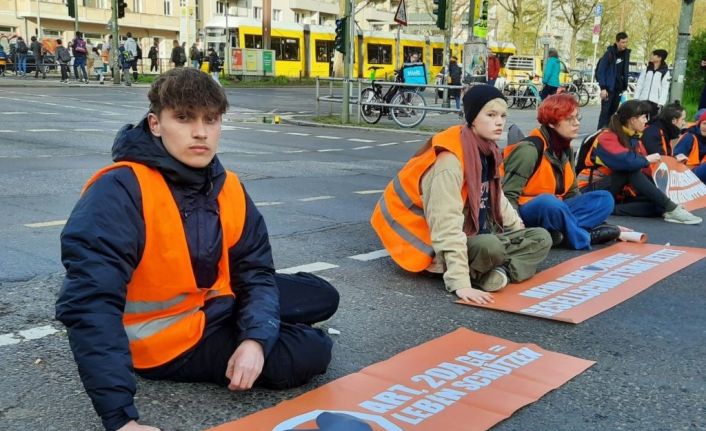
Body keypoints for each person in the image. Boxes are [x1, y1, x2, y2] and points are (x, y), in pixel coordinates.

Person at [56, 67, 339, 431]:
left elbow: (254, 270)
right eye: (184, 118)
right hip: (165, 340)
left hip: (214, 302)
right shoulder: (120, 191)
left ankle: (254, 327)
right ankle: (259, 331)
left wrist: (254, 339)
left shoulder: (227, 185)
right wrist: (119, 419)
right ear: (155, 124)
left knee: (322, 296)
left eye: (211, 119)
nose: (201, 132)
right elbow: (89, 303)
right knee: (308, 352)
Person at [371, 85, 552, 305]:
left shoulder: (488, 150)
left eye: (503, 116)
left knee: (541, 238)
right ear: (473, 118)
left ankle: (498, 273)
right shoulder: (450, 162)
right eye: (491, 115)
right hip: (427, 245)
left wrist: (520, 233)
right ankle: (485, 273)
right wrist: (461, 284)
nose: (499, 122)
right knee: (490, 246)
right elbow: (445, 225)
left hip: (470, 232)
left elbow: (497, 197)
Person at [501, 94, 619, 250]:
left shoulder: (566, 148)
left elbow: (572, 193)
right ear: (551, 123)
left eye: (577, 117)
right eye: (570, 119)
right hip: (529, 211)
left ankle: (559, 234)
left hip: (557, 209)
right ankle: (584, 237)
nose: (576, 123)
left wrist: (597, 218)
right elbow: (508, 195)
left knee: (605, 199)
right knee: (548, 202)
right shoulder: (529, 150)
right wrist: (517, 230)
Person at [578, 99, 701, 224]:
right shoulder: (606, 136)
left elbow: (646, 170)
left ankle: (609, 209)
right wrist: (647, 160)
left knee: (658, 205)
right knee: (630, 170)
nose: (646, 121)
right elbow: (627, 162)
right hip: (589, 189)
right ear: (632, 120)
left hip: (616, 189)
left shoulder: (635, 137)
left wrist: (664, 194)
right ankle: (672, 209)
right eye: (644, 117)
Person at [596, 32, 631, 130]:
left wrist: (624, 86)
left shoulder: (626, 54)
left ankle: (609, 134)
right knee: (604, 114)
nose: (625, 44)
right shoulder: (609, 54)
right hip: (608, 89)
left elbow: (625, 70)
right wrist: (603, 88)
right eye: (623, 42)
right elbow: (601, 71)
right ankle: (599, 135)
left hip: (619, 89)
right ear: (617, 42)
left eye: (626, 42)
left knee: (613, 114)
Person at [634, 49, 670, 119]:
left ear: (659, 58)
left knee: (653, 120)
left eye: (653, 55)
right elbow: (640, 84)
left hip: (655, 102)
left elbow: (665, 88)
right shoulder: (646, 69)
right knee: (641, 118)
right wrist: (636, 98)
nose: (651, 56)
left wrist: (661, 102)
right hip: (643, 100)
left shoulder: (665, 72)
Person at [673, 111, 706, 183]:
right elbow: (675, 158)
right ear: (699, 123)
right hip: (685, 174)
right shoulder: (689, 137)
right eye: (704, 123)